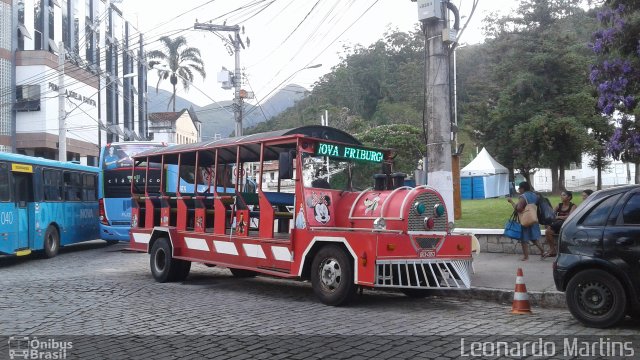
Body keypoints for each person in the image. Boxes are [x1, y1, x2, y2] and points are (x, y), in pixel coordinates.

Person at [507, 181, 545, 261]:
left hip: (525, 219)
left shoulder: (523, 196)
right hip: (533, 218)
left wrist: (511, 202)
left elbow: (519, 209)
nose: (519, 190)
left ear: (522, 188)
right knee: (534, 238)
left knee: (524, 239)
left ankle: (526, 256)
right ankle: (542, 251)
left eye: (519, 188)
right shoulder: (534, 195)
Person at [543, 190, 577, 258]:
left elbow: (570, 217)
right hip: (557, 225)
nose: (561, 196)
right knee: (548, 231)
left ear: (569, 197)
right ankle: (552, 250)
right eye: (561, 195)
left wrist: (558, 217)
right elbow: (552, 214)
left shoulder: (573, 206)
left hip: (566, 225)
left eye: (564, 195)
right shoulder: (559, 205)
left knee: (553, 227)